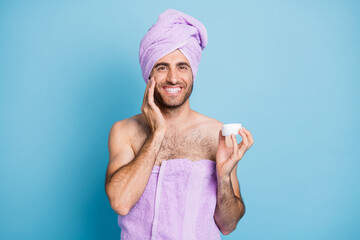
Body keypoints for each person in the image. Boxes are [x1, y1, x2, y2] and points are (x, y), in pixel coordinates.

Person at [105, 9, 254, 239]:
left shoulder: (215, 133)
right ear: (149, 75)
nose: (173, 78)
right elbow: (121, 202)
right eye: (162, 66)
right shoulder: (124, 131)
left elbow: (228, 225)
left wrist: (224, 177)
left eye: (182, 66)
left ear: (192, 72)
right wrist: (157, 134)